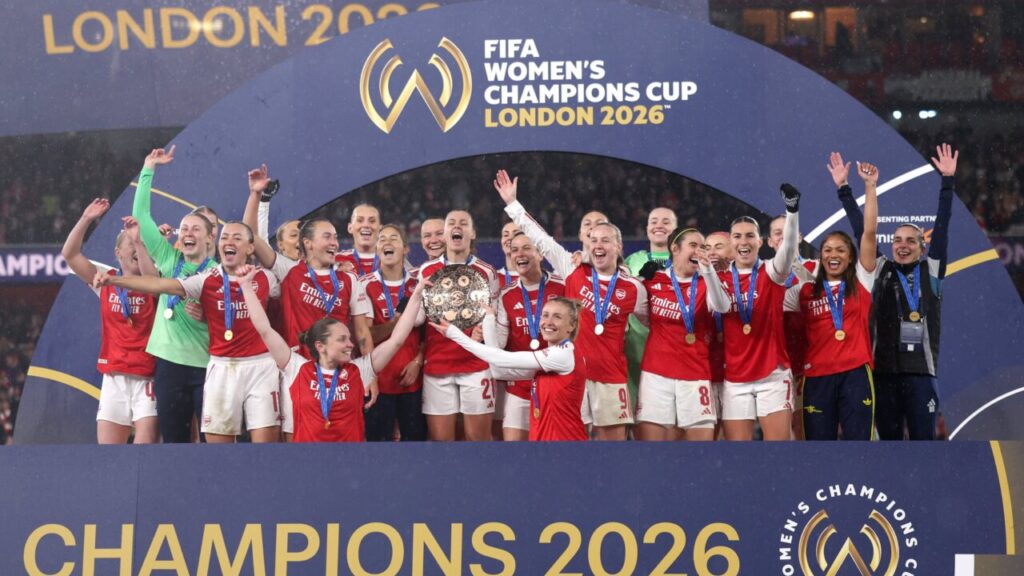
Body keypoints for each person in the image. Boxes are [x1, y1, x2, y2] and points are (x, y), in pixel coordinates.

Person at [96, 221, 282, 443]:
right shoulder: (206, 279)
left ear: (251, 248)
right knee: (215, 454)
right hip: (221, 368)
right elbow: (159, 286)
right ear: (218, 243)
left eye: (236, 238)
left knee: (265, 448)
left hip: (260, 366)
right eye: (225, 237)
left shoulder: (268, 279)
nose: (229, 242)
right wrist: (115, 279)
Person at [496, 169, 647, 441]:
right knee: (571, 446)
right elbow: (540, 238)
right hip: (571, 375)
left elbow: (652, 322)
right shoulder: (572, 269)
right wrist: (512, 204)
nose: (598, 245)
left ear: (619, 246)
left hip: (611, 377)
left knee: (611, 452)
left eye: (605, 240)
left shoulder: (633, 288)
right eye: (593, 240)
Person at [838, 144, 958, 440]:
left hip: (922, 376)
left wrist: (947, 182)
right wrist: (844, 189)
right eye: (897, 240)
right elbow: (861, 230)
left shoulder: (931, 271)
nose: (902, 245)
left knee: (923, 445)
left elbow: (942, 227)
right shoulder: (880, 268)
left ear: (922, 246)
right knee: (889, 448)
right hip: (884, 374)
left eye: (910, 241)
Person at [239, 264, 426, 442]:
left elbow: (397, 340)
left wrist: (417, 295)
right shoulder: (297, 368)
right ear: (321, 346)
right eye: (342, 339)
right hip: (308, 462)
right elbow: (264, 329)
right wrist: (246, 285)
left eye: (349, 338)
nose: (350, 344)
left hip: (348, 463)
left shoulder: (359, 370)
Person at [785, 158, 880, 440]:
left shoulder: (862, 281)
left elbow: (870, 233)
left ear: (850, 257)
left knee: (859, 446)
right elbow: (764, 302)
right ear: (820, 256)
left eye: (840, 249)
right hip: (816, 377)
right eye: (827, 250)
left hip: (856, 375)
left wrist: (870, 187)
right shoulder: (803, 290)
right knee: (818, 451)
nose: (833, 254)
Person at [703, 184, 803, 441]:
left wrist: (792, 211)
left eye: (750, 236)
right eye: (737, 236)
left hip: (773, 374)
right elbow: (721, 306)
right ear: (730, 242)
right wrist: (707, 271)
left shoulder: (772, 272)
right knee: (740, 455)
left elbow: (789, 248)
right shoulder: (719, 278)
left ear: (760, 242)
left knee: (778, 450)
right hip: (735, 378)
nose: (743, 241)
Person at [131, 146, 216, 443]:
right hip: (168, 363)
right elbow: (141, 215)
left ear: (210, 237)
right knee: (175, 442)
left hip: (207, 365)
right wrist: (148, 168)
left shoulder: (218, 271)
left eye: (195, 229)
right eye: (183, 229)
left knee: (211, 441)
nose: (187, 233)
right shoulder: (168, 259)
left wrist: (207, 315)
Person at [62, 200, 159, 444]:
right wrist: (85, 218)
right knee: (109, 455)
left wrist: (138, 240)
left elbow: (151, 280)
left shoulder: (156, 281)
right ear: (118, 254)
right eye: (131, 244)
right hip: (114, 376)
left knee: (144, 451)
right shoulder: (107, 281)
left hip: (149, 376)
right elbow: (70, 255)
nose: (138, 248)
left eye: (141, 244)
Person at [433, 297, 588, 442]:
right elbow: (499, 371)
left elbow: (501, 358)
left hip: (566, 444)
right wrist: (489, 320)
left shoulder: (563, 354)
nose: (548, 322)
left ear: (571, 326)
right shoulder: (550, 360)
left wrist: (455, 334)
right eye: (545, 315)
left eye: (557, 317)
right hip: (544, 445)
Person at [418, 209, 500, 441]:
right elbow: (421, 317)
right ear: (444, 234)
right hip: (438, 365)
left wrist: (484, 329)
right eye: (451, 223)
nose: (457, 226)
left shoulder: (487, 272)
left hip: (475, 364)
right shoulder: (426, 271)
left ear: (472, 233)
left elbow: (493, 315)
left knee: (479, 442)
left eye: (463, 223)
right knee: (442, 444)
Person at [636, 228, 721, 441]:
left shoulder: (707, 282)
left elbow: (723, 306)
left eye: (702, 247)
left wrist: (710, 272)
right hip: (656, 374)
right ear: (675, 248)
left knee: (700, 452)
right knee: (651, 451)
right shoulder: (653, 281)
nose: (699, 251)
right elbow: (640, 312)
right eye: (694, 245)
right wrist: (638, 279)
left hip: (695, 373)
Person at [493, 232, 567, 440]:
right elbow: (499, 343)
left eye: (526, 248)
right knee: (514, 454)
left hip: (555, 386)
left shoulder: (562, 285)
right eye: (514, 249)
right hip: (520, 388)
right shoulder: (506, 294)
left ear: (540, 253)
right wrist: (485, 329)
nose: (519, 254)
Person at [360, 224, 427, 442]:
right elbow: (366, 335)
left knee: (415, 448)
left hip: (412, 381)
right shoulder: (364, 285)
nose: (387, 242)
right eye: (382, 239)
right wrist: (396, 323)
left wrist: (418, 361)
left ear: (406, 249)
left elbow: (430, 335)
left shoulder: (419, 283)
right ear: (377, 248)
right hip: (379, 382)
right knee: (377, 448)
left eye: (394, 238)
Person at [623, 207, 679, 422]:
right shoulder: (631, 261)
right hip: (636, 351)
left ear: (675, 229)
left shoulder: (685, 260)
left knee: (673, 422)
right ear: (646, 228)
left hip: (674, 351)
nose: (659, 225)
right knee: (639, 420)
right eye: (653, 221)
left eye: (666, 221)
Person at [337, 204, 383, 276]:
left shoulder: (393, 262)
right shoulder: (336, 261)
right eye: (360, 220)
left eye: (372, 221)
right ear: (350, 228)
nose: (366, 225)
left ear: (380, 229)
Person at [496, 221, 522, 288]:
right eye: (505, 235)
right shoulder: (493, 279)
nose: (509, 238)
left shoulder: (541, 278)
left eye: (516, 234)